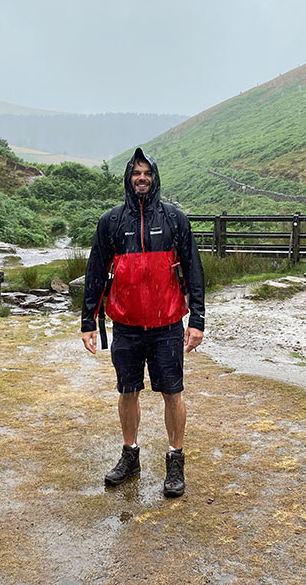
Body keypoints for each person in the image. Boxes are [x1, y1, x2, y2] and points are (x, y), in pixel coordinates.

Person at [81, 147, 205, 498]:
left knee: (173, 392)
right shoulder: (111, 222)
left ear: (155, 178)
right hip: (126, 325)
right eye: (136, 173)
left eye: (147, 173)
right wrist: (88, 321)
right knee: (127, 391)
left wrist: (197, 319)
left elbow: (193, 270)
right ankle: (130, 456)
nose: (141, 178)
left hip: (167, 325)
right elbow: (95, 273)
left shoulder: (174, 220)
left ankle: (175, 460)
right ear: (128, 178)